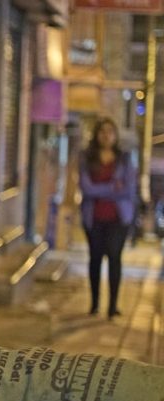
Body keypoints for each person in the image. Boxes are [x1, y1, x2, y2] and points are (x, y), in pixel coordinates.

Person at [78, 117, 137, 320]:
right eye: (102, 131)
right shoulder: (87, 158)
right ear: (97, 135)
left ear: (115, 135)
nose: (106, 135)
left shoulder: (124, 159)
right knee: (95, 259)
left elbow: (128, 189)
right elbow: (86, 188)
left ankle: (112, 306)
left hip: (118, 218)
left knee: (114, 257)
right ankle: (94, 304)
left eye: (110, 131)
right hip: (93, 218)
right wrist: (112, 188)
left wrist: (100, 190)